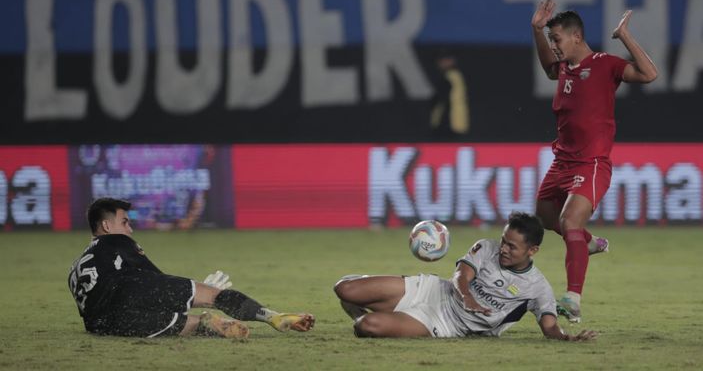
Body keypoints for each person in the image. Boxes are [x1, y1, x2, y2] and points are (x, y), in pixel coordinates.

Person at [530, 0, 658, 323]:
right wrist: (537, 30)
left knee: (570, 222)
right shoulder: (564, 70)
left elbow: (649, 73)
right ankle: (587, 243)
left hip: (592, 163)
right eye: (551, 41)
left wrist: (623, 35)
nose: (554, 46)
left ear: (576, 36)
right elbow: (548, 69)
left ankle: (572, 299)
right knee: (545, 216)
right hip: (562, 162)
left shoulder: (605, 64)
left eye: (556, 39)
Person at [68, 197, 315, 338]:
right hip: (125, 297)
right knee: (212, 295)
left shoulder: (74, 268)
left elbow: (94, 305)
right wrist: (200, 292)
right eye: (125, 222)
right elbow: (155, 279)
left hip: (103, 327)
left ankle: (210, 325)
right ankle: (274, 317)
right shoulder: (117, 241)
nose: (130, 229)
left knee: (192, 324)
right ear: (107, 227)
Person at [334, 212, 596, 341]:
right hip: (434, 290)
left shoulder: (538, 288)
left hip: (445, 324)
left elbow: (549, 326)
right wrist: (467, 296)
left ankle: (370, 316)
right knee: (344, 289)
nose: (503, 248)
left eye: (511, 246)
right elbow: (462, 274)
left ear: (533, 250)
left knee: (366, 327)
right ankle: (367, 294)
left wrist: (566, 338)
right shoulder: (487, 247)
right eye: (504, 241)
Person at [430, 49, 470, 138]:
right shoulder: (454, 75)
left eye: (444, 60)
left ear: (451, 61)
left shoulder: (451, 76)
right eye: (440, 61)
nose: (440, 63)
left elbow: (442, 100)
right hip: (455, 123)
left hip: (450, 124)